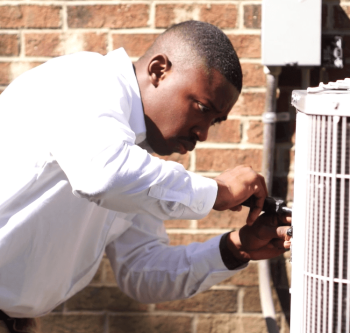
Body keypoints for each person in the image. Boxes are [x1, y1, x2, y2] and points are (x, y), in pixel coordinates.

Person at [0, 20, 291, 333]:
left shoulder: (135, 163)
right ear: (158, 70)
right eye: (202, 107)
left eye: (215, 121)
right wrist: (217, 192)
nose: (203, 133)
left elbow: (140, 269)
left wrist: (236, 248)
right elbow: (102, 174)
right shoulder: (86, 81)